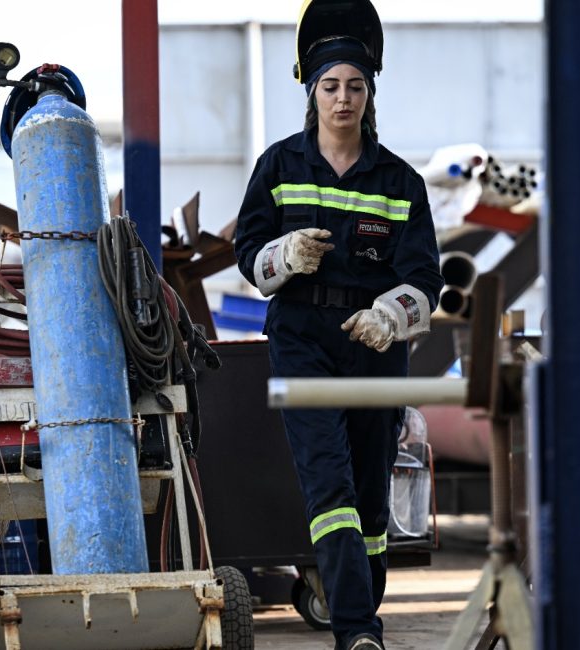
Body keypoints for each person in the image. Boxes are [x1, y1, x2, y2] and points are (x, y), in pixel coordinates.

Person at [233, 2, 443, 648]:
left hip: (373, 350)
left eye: (355, 85)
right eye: (331, 86)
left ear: (369, 91)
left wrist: (392, 315)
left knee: (371, 501)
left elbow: (425, 279)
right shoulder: (279, 168)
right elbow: (249, 256)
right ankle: (357, 629)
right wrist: (284, 256)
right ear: (311, 90)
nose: (343, 98)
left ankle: (357, 593)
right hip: (300, 339)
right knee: (329, 483)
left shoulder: (401, 182)